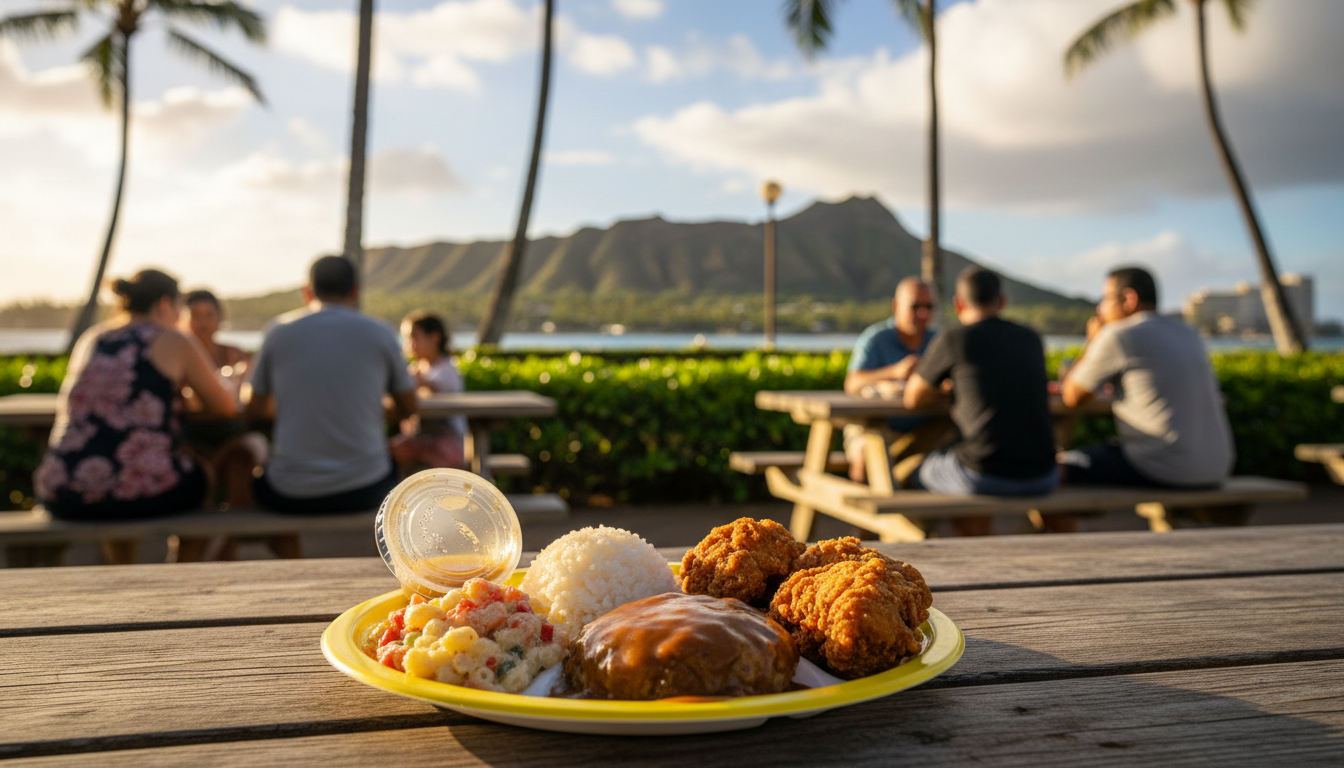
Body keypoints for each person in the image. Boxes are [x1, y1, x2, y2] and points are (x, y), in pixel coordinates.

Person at [33, 269, 238, 564]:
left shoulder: (94, 337)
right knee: (202, 474)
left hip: (63, 490)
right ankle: (181, 573)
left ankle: (123, 573)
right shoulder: (171, 338)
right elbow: (224, 406)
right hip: (139, 494)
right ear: (165, 304)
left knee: (119, 464)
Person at [245, 256, 417, 531]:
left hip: (290, 492)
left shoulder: (278, 332)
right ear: (355, 290)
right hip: (367, 488)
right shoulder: (381, 333)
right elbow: (409, 406)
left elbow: (252, 407)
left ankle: (277, 561)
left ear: (307, 292)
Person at [904, 267, 1059, 535]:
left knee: (910, 473)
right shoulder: (1031, 338)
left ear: (959, 304)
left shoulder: (955, 338)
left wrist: (945, 390)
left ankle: (926, 542)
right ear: (1001, 302)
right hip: (1044, 476)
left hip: (984, 477)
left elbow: (912, 398)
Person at [1060, 266, 1234, 488]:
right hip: (1216, 468)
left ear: (1128, 299)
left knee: (1052, 471)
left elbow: (1071, 397)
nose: (1100, 308)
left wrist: (1093, 341)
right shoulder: (1188, 333)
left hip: (1161, 467)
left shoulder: (1119, 334)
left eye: (1105, 298)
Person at [843, 277, 948, 483]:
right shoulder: (876, 338)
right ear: (896, 306)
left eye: (928, 307)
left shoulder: (939, 341)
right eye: (915, 307)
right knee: (866, 462)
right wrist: (893, 372)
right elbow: (852, 383)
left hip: (923, 429)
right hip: (873, 426)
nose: (923, 314)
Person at [389, 311, 467, 474]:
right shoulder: (417, 370)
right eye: (407, 339)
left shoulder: (446, 370)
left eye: (414, 337)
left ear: (434, 337)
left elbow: (433, 390)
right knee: (391, 451)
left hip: (449, 442)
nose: (409, 344)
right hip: (423, 440)